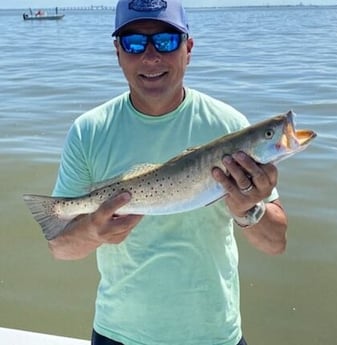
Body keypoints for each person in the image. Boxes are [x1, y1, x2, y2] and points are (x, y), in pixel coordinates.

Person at [49, 1, 287, 344]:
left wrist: (250, 209)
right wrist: (94, 231)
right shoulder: (88, 131)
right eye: (133, 42)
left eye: (165, 41)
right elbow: (59, 247)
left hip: (215, 335)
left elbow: (276, 243)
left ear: (188, 48)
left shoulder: (230, 126)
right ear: (117, 52)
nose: (150, 57)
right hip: (119, 334)